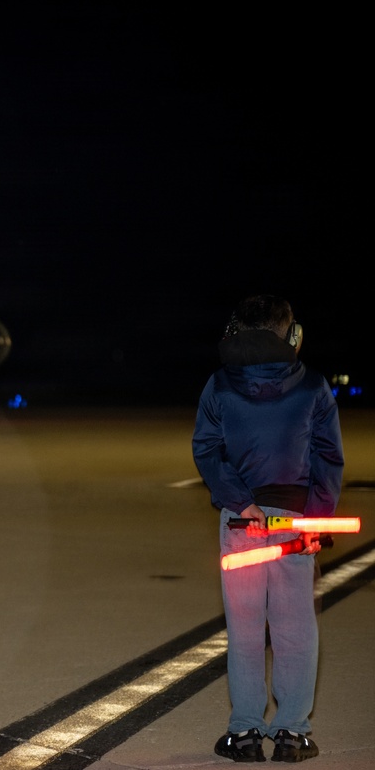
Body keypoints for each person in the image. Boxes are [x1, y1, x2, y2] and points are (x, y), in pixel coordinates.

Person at [192, 295, 344, 763]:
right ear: (290, 335)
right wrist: (317, 517)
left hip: (242, 523)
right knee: (296, 627)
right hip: (296, 520)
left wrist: (241, 500)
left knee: (244, 628)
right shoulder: (314, 386)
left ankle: (244, 733)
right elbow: (327, 458)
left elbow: (206, 449)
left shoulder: (219, 385)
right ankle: (292, 734)